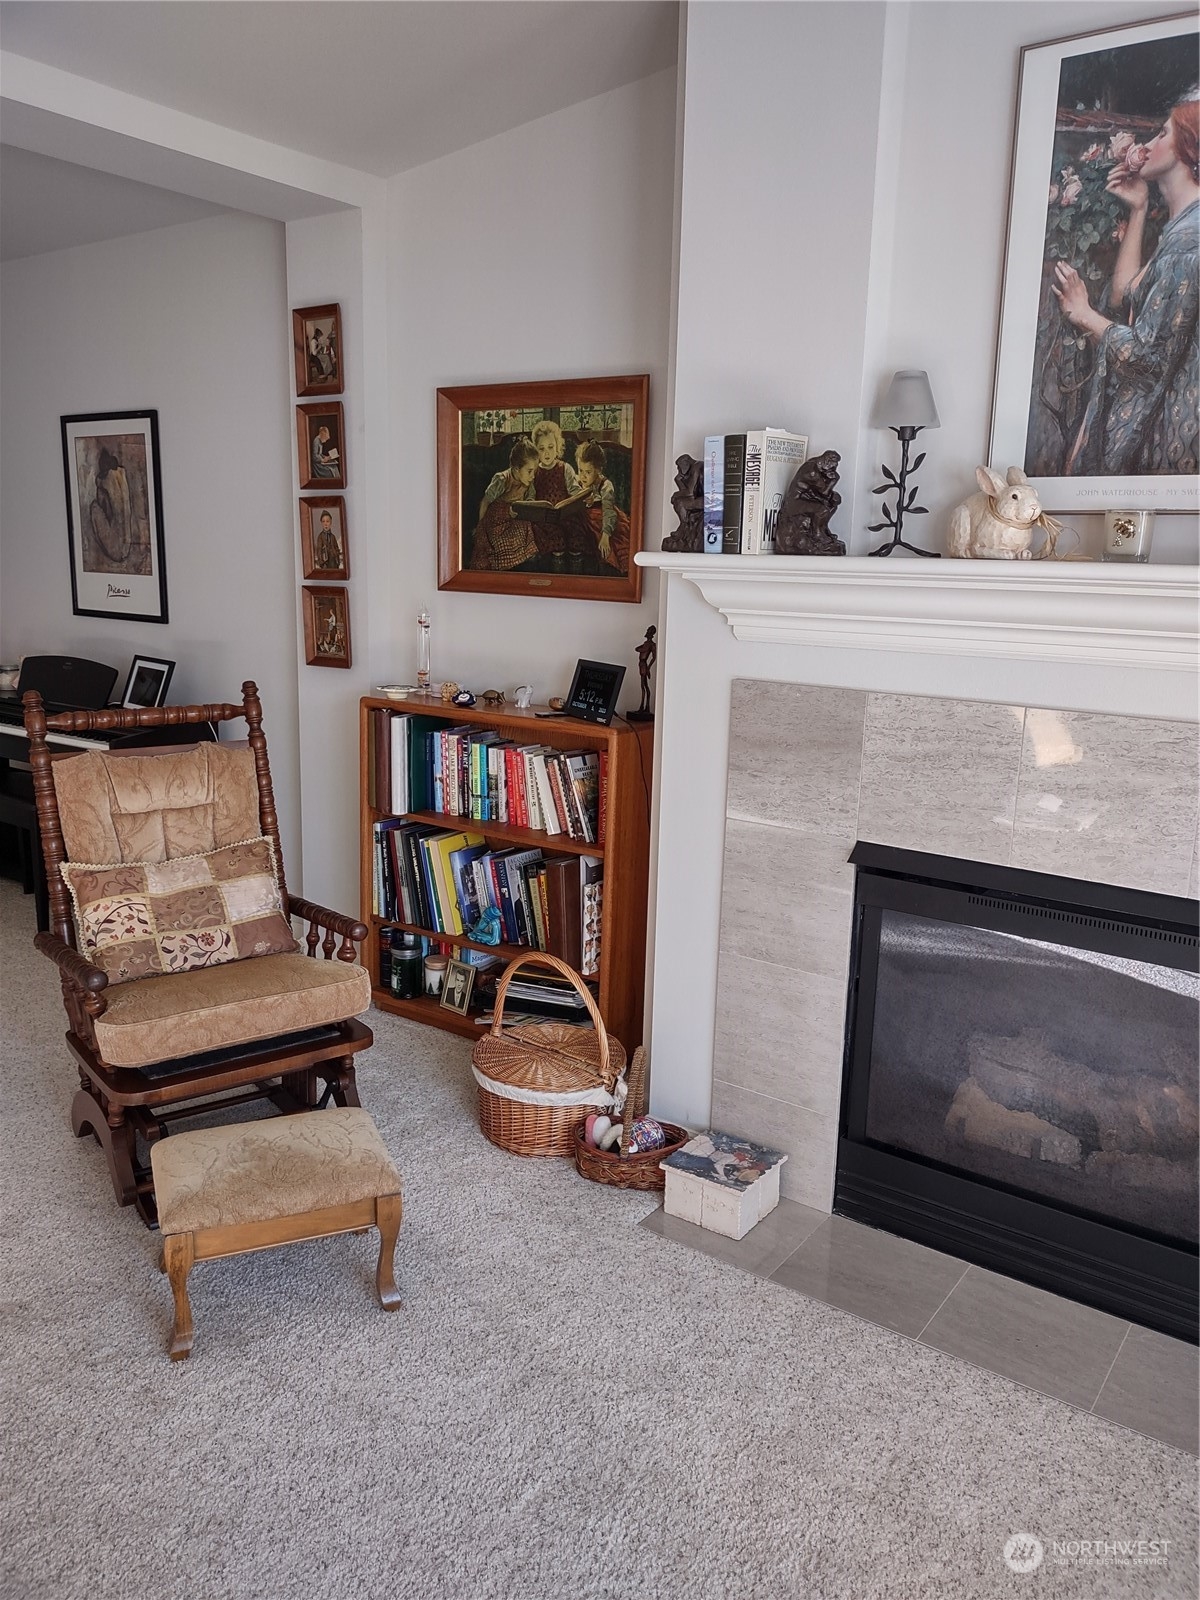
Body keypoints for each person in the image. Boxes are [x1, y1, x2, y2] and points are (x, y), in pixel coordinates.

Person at [1052, 99, 1199, 476]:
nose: (1147, 144)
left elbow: (1148, 357)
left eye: (1162, 133)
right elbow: (1124, 297)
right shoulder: (1181, 230)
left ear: (1188, 147)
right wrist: (1138, 210)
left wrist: (1084, 314)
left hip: (1166, 431)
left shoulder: (1189, 242)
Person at [469, 438, 540, 570]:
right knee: (497, 541)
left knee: (525, 529)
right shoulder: (502, 479)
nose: (533, 476)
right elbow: (485, 501)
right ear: (517, 469)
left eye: (534, 472)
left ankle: (523, 561)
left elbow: (531, 498)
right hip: (496, 520)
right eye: (529, 471)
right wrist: (480, 527)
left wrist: (529, 505)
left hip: (515, 517)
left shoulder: (528, 482)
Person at [574, 441, 630, 575]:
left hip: (605, 520)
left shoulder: (605, 485)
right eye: (580, 470)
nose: (583, 476)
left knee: (613, 545)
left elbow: (608, 510)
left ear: (598, 470)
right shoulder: (577, 482)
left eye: (588, 472)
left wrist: (605, 536)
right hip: (585, 519)